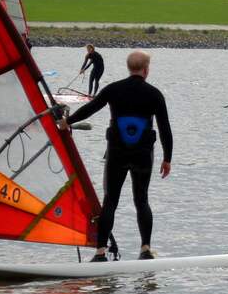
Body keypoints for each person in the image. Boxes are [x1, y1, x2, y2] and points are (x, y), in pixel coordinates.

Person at [59, 50, 172, 261]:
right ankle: (145, 249)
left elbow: (90, 108)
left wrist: (68, 121)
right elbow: (165, 129)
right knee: (142, 200)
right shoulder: (154, 94)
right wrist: (167, 158)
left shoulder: (113, 89)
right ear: (146, 69)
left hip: (117, 153)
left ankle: (100, 252)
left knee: (110, 201)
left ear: (129, 68)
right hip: (143, 155)